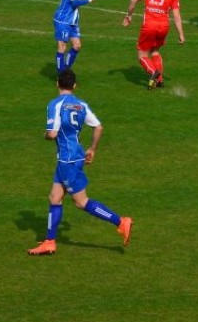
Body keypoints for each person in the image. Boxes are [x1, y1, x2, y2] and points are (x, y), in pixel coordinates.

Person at [28, 68, 133, 256]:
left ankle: (121, 221)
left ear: (57, 84)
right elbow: (98, 127)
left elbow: (52, 134)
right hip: (73, 157)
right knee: (54, 197)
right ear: (74, 86)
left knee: (81, 202)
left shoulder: (55, 104)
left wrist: (45, 134)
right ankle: (49, 242)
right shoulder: (81, 105)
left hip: (68, 160)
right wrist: (92, 149)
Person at [123, 0, 185, 89]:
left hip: (149, 25)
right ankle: (160, 80)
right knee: (155, 50)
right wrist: (181, 34)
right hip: (163, 27)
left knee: (142, 55)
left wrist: (129, 16)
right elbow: (176, 15)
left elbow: (134, 0)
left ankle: (153, 73)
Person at [54, 0, 95, 73]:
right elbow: (74, 2)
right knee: (62, 47)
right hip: (63, 19)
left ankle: (65, 70)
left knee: (77, 45)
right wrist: (88, 0)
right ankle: (61, 76)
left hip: (72, 20)